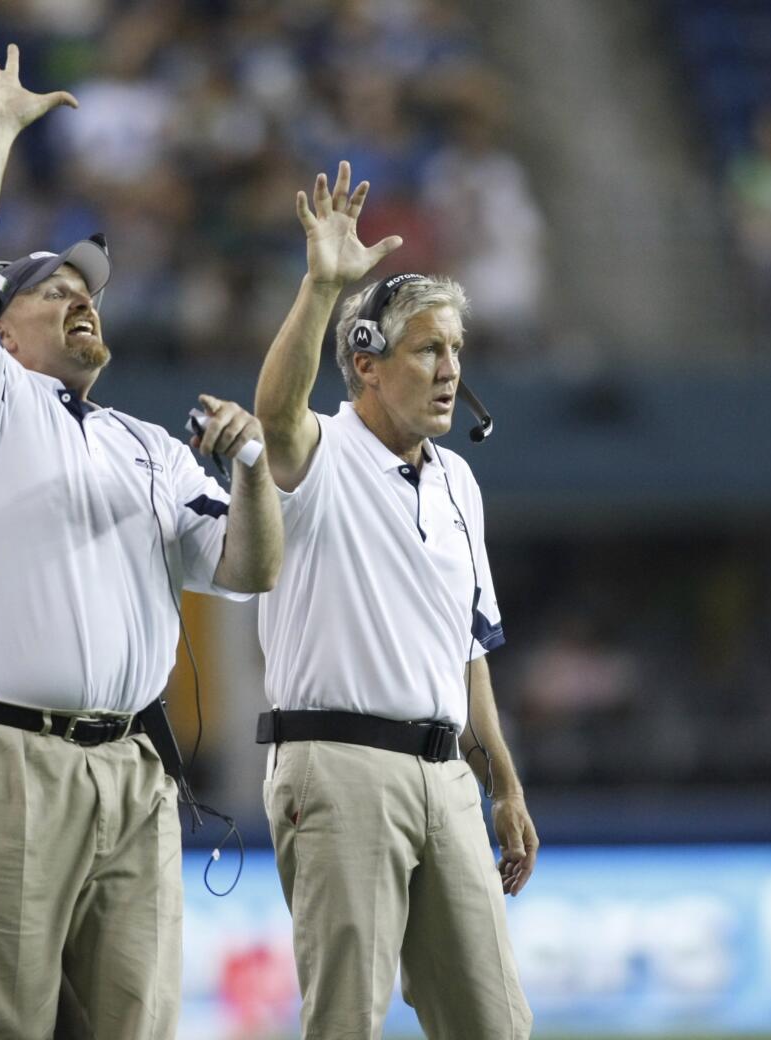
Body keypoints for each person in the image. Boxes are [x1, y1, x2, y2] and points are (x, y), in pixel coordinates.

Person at [0, 34, 283, 1039]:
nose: (82, 297)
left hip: (129, 768)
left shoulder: (146, 444)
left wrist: (250, 469)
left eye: (90, 289)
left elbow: (248, 570)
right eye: (53, 289)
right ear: (0, 325)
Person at [253, 161, 537, 1040]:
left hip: (445, 772)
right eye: (428, 349)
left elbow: (468, 647)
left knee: (495, 1023)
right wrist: (322, 286)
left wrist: (504, 782)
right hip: (337, 765)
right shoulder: (321, 452)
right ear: (367, 365)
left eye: (456, 350)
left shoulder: (458, 481)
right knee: (345, 1022)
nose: (450, 368)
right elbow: (274, 413)